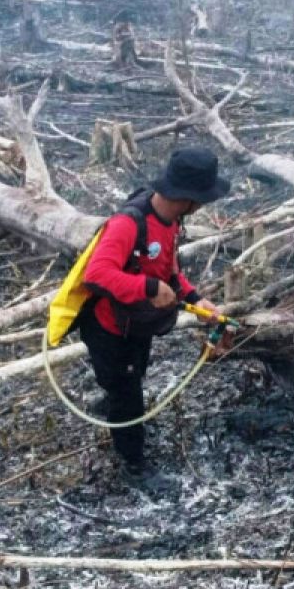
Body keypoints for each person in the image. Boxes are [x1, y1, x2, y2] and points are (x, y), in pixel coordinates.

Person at [80, 147, 230, 474]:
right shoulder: (128, 224)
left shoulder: (171, 222)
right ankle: (133, 464)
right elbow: (96, 274)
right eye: (203, 199)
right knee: (128, 396)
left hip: (137, 324)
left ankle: (113, 400)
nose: (204, 205)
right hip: (109, 329)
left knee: (134, 376)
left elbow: (169, 270)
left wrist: (195, 297)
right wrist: (147, 288)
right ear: (188, 197)